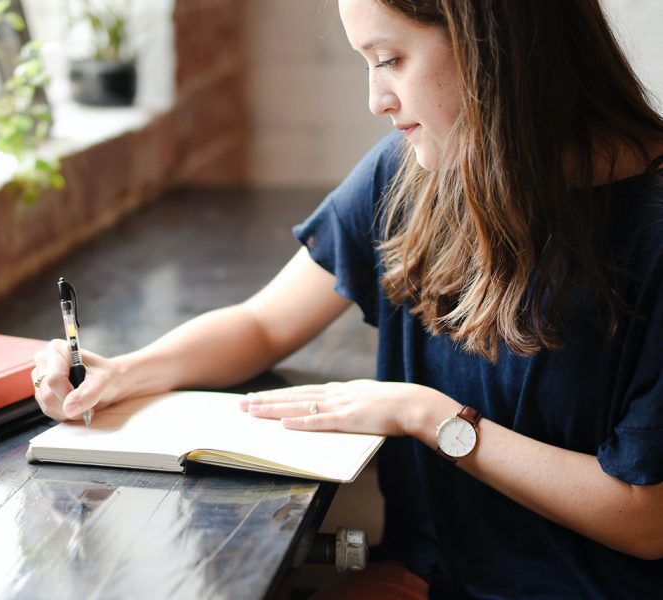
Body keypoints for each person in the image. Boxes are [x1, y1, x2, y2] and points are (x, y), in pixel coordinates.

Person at [33, 0, 663, 596]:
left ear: (493, 47)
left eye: (389, 59)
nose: (375, 99)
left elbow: (645, 518)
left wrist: (430, 416)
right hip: (427, 582)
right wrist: (123, 372)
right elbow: (263, 323)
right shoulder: (412, 173)